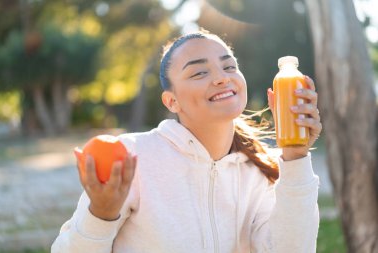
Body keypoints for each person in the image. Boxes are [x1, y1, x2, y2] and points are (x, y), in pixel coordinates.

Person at [51, 29, 322, 253]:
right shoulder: (133, 157)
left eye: (229, 66)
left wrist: (296, 158)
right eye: (199, 73)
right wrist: (100, 216)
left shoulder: (262, 172)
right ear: (172, 101)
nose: (221, 77)